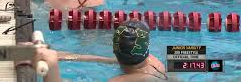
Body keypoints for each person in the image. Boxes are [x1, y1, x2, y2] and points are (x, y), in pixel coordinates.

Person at [31, 20, 169, 82]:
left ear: (114, 49)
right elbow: (104, 60)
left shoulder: (118, 81)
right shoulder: (154, 61)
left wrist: (52, 65)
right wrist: (60, 55)